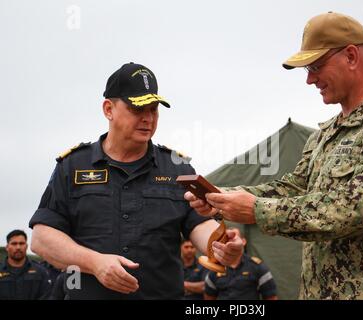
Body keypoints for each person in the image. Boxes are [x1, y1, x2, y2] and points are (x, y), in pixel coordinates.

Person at [185, 12, 363, 300]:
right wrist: (222, 197)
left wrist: (257, 209)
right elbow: (292, 189)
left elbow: (355, 209)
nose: (310, 79)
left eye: (316, 66)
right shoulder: (325, 134)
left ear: (351, 56)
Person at [29, 62, 243, 299]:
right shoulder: (73, 166)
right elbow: (41, 239)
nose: (148, 118)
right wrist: (95, 263)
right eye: (137, 109)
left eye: (153, 110)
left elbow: (199, 224)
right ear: (108, 109)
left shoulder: (178, 168)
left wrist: (221, 246)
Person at [204, 228, 277, 300]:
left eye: (234, 238)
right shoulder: (216, 267)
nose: (230, 242)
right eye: (227, 238)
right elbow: (209, 296)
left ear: (243, 241)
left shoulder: (256, 266)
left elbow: (271, 296)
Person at [0, 230, 51, 299]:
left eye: (21, 243)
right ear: (7, 247)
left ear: (26, 246)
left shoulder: (40, 272)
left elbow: (46, 296)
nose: (18, 247)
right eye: (14, 244)